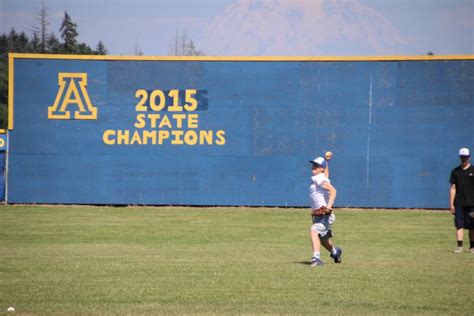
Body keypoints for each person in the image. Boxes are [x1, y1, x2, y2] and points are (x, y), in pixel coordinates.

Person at [308, 156, 342, 266]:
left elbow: (333, 191)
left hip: (325, 215)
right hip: (320, 215)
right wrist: (326, 163)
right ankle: (335, 252)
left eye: (316, 165)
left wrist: (328, 207)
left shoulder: (319, 178)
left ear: (321, 169)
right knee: (323, 240)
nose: (314, 166)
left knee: (314, 231)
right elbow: (326, 175)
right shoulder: (323, 177)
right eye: (313, 164)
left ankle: (316, 258)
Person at [449, 147, 474, 253]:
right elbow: (453, 188)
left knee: (472, 226)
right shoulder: (455, 171)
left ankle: (472, 247)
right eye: (462, 157)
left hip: (472, 203)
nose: (464, 158)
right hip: (459, 203)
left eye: (465, 157)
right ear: (460, 157)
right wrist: (451, 204)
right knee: (459, 225)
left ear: (469, 157)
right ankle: (460, 247)